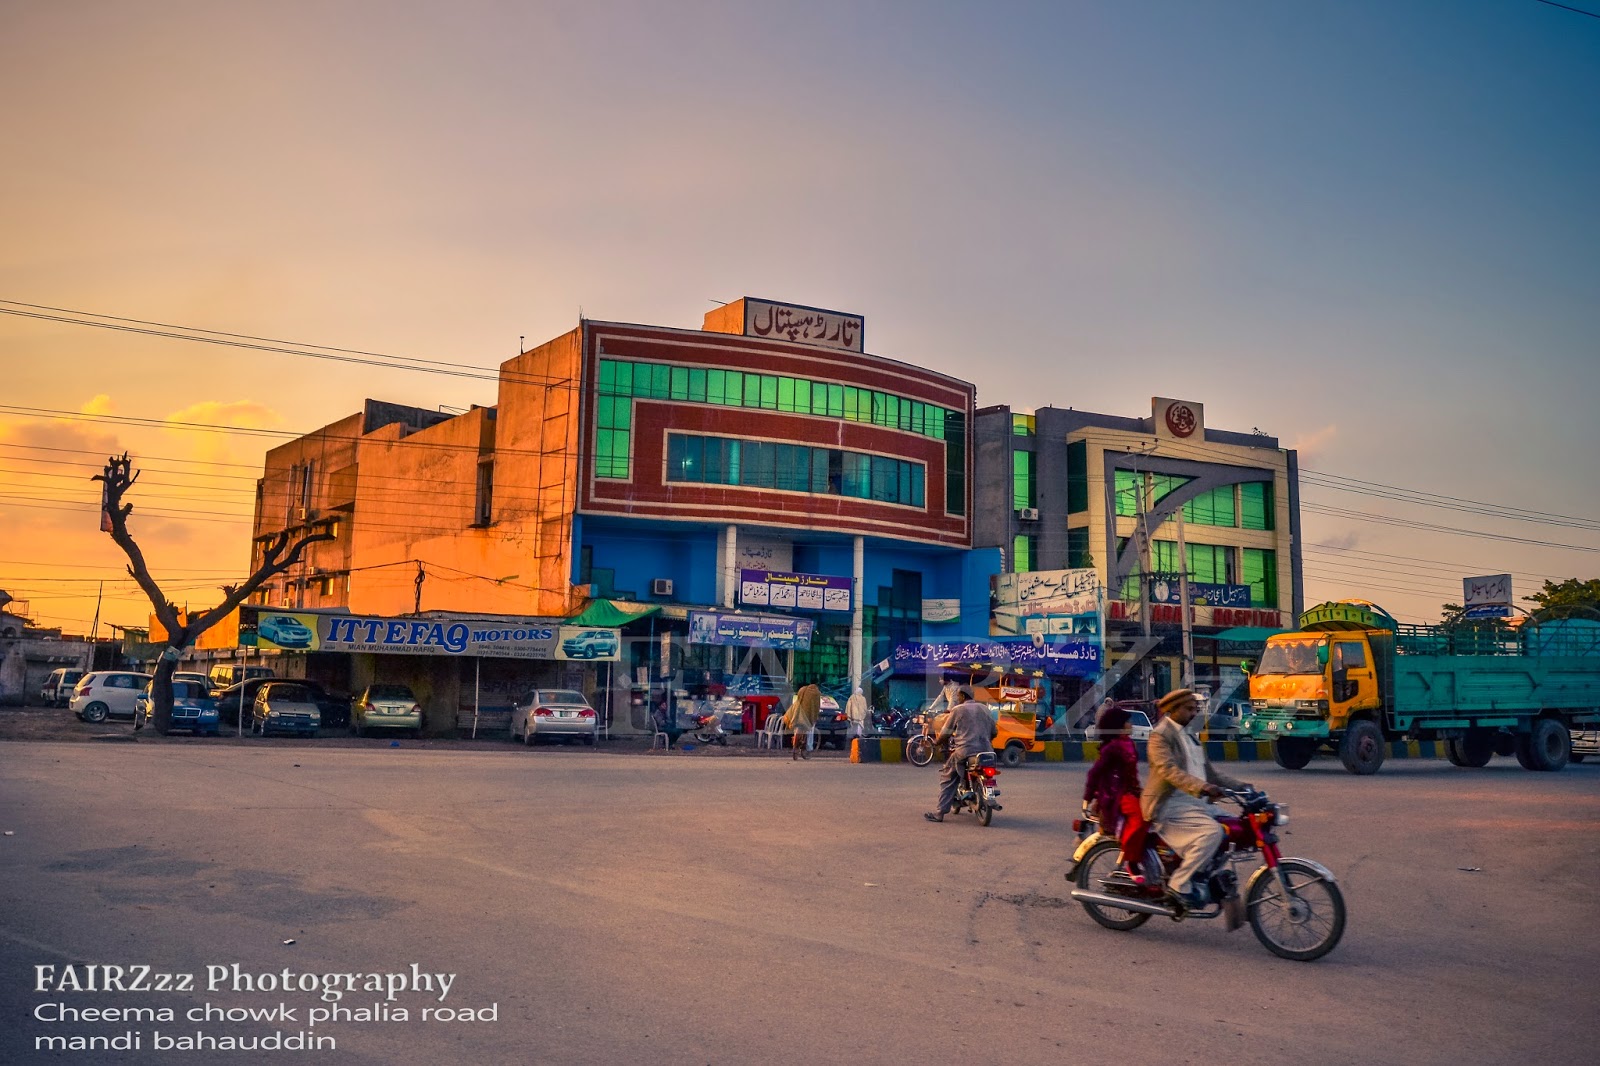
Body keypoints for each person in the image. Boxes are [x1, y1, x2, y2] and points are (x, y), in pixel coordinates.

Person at [1141, 688, 1249, 909]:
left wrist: (1243, 787)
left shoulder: (1191, 737)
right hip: (1169, 805)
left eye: (1195, 709)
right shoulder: (1160, 736)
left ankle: (1202, 873)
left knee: (1237, 828)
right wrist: (1203, 787)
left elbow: (1212, 774)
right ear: (1173, 709)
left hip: (1197, 803)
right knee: (1212, 832)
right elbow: (1169, 771)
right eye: (1189, 709)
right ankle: (1178, 885)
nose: (1193, 714)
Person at [1082, 704, 1147, 880]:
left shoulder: (1129, 744)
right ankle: (1131, 862)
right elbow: (1095, 773)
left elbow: (1132, 774)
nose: (1132, 725)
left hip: (1132, 791)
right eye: (1128, 722)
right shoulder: (1112, 748)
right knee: (1139, 820)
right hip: (1117, 795)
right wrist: (1087, 798)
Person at [925, 688, 997, 822]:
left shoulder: (958, 710)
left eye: (958, 696)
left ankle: (939, 813)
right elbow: (994, 732)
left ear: (963, 696)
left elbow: (946, 733)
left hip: (965, 751)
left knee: (948, 777)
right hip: (987, 752)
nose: (957, 698)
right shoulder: (985, 709)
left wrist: (937, 742)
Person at [784, 681, 821, 760]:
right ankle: (808, 748)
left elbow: (798, 700)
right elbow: (816, 707)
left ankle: (795, 744)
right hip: (808, 717)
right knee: (810, 730)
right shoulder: (817, 693)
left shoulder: (802, 690)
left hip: (797, 714)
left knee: (796, 729)